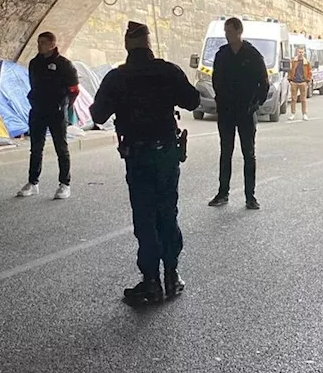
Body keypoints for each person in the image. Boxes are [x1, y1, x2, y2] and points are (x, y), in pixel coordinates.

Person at [91, 21, 200, 305]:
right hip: (166, 154)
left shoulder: (118, 77)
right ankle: (172, 276)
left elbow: (97, 115)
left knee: (145, 216)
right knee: (167, 212)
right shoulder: (167, 70)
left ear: (127, 44)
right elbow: (192, 101)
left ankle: (150, 281)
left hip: (138, 156)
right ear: (149, 44)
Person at [208, 17, 268, 210]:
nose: (227, 35)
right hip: (226, 112)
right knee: (226, 152)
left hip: (246, 112)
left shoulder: (252, 54)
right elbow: (216, 79)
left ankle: (250, 196)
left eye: (230, 32)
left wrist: (255, 104)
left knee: (248, 153)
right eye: (225, 32)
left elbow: (263, 82)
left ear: (239, 32)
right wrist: (220, 100)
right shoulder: (222, 55)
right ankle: (222, 193)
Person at [18, 31, 78, 200]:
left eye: (43, 42)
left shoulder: (65, 65)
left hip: (57, 112)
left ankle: (64, 184)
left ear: (52, 44)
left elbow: (74, 89)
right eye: (38, 42)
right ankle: (33, 182)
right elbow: (33, 84)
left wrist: (64, 104)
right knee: (36, 148)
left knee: (61, 147)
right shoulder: (34, 63)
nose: (40, 46)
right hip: (38, 110)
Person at [288, 47, 311, 121]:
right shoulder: (293, 61)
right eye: (299, 52)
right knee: (293, 99)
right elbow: (290, 70)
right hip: (294, 82)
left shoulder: (306, 62)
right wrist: (290, 80)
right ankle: (293, 114)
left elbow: (309, 72)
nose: (300, 53)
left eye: (302, 52)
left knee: (303, 99)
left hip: (302, 82)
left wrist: (307, 81)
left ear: (304, 53)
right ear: (297, 53)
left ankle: (304, 114)